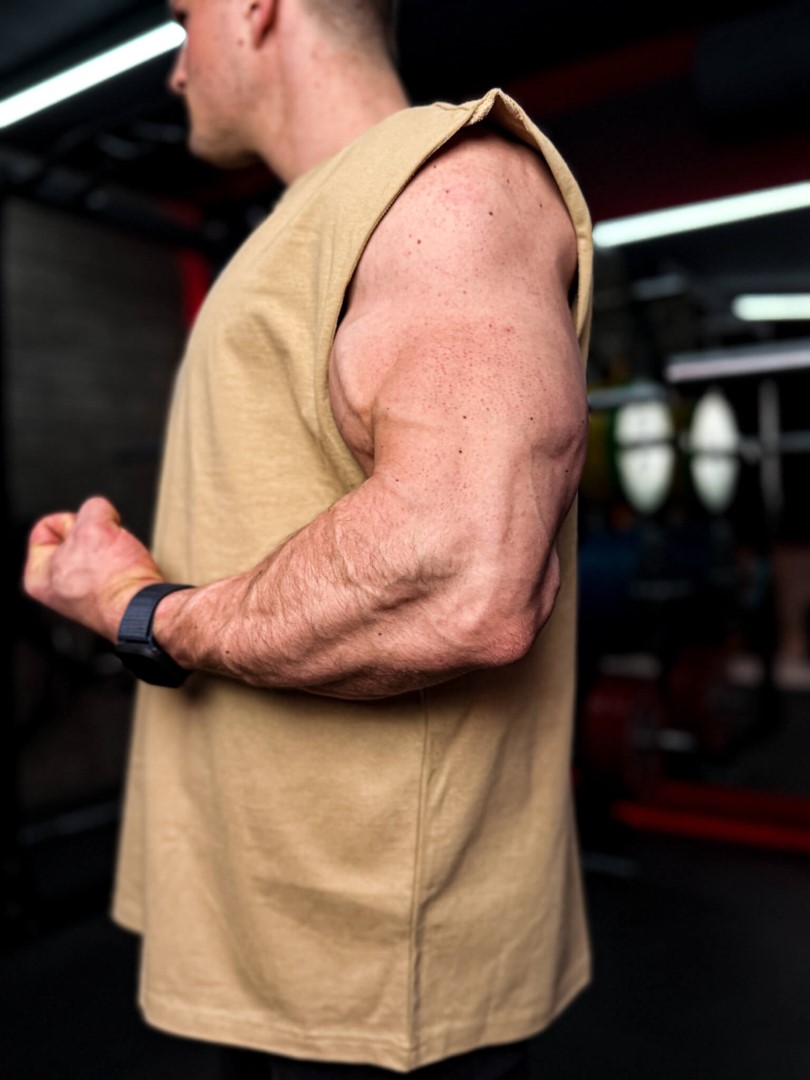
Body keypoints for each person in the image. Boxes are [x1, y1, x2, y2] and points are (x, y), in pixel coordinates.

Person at [23, 1, 594, 1076]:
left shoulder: (448, 186)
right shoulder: (308, 227)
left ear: (255, 8)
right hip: (271, 943)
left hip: (379, 981)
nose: (176, 72)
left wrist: (138, 611)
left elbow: (460, 576)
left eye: (184, 22)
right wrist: (118, 574)